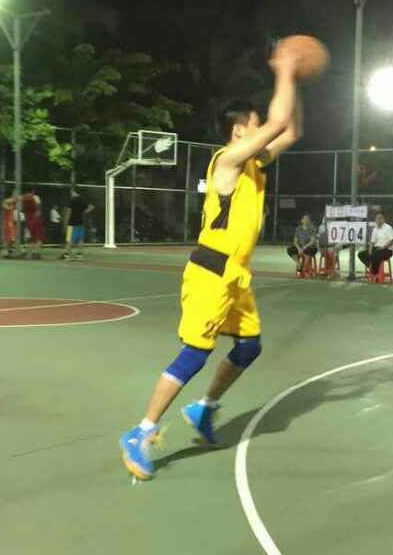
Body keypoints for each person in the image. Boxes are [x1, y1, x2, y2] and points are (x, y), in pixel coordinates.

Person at [119, 47, 302, 481]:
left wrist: (294, 78)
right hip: (210, 271)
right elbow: (278, 124)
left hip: (236, 275)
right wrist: (285, 68)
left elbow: (290, 130)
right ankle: (140, 432)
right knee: (196, 353)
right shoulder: (227, 160)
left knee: (249, 347)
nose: (263, 131)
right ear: (240, 131)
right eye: (256, 125)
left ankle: (204, 408)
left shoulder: (255, 162)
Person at [61, 189, 95, 260]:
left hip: (72, 223)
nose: (71, 193)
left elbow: (68, 213)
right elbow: (92, 207)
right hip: (81, 222)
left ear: (74, 192)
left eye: (71, 192)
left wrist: (65, 223)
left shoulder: (72, 201)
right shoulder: (83, 200)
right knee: (80, 239)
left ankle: (67, 255)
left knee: (70, 239)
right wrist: (84, 212)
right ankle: (79, 255)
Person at [358, 211, 393, 276]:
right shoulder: (375, 229)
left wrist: (383, 247)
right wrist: (370, 250)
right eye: (377, 218)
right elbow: (372, 242)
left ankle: (375, 273)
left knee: (374, 255)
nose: (378, 220)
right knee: (361, 254)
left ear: (384, 219)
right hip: (377, 248)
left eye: (380, 218)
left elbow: (392, 240)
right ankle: (374, 270)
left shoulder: (388, 228)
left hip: (387, 250)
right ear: (375, 219)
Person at [21, 188, 45, 260]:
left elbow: (22, 209)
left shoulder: (23, 198)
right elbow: (38, 209)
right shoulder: (35, 197)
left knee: (30, 237)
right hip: (36, 219)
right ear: (32, 191)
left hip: (28, 220)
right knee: (39, 237)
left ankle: (30, 254)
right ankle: (36, 253)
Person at [1, 193, 21, 258]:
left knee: (11, 239)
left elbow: (13, 201)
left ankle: (8, 252)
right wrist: (16, 199)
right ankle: (6, 252)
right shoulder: (6, 202)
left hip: (10, 224)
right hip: (8, 224)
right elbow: (7, 202)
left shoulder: (10, 204)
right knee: (10, 239)